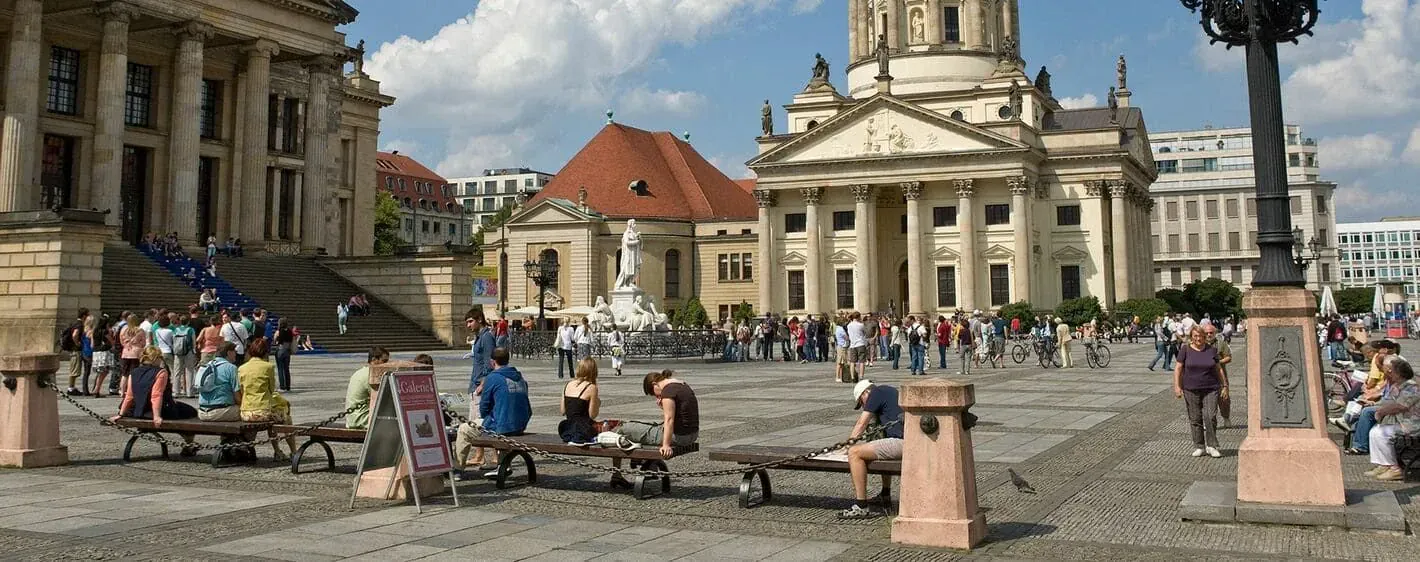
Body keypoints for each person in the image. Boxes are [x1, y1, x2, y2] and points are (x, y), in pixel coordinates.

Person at [610, 370, 698, 488]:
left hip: (678, 436)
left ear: (654, 384)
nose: (657, 396)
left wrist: (666, 445)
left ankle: (619, 472)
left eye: (654, 394)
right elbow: (681, 414)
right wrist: (663, 406)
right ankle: (642, 460)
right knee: (643, 427)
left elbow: (669, 420)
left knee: (623, 429)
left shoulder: (668, 391)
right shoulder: (682, 385)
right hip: (691, 434)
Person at [454, 348, 531, 480]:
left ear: (492, 362)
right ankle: (503, 465)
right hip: (520, 424)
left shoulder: (493, 378)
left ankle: (457, 469)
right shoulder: (519, 377)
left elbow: (484, 406)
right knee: (501, 420)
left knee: (464, 429)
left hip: (503, 426)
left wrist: (487, 416)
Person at [839, 380, 905, 520]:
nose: (864, 406)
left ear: (865, 393)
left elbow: (861, 424)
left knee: (855, 453)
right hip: (905, 441)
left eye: (862, 402)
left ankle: (861, 505)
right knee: (879, 445)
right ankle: (885, 493)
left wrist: (848, 446)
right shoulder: (887, 391)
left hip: (902, 442)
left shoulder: (876, 393)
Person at [111, 347, 199, 452]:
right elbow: (156, 395)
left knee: (181, 410)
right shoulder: (161, 372)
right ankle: (189, 443)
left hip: (137, 411)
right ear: (156, 358)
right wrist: (157, 416)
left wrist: (121, 414)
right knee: (191, 412)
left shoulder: (133, 372)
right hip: (157, 410)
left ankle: (188, 443)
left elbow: (129, 396)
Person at [238, 337, 296, 460]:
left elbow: (242, 390)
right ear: (265, 352)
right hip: (263, 411)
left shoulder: (242, 368)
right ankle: (293, 451)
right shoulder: (268, 367)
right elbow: (271, 390)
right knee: (286, 418)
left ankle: (278, 451)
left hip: (246, 412)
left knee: (272, 417)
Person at [1174, 326, 1227, 458]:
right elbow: (1178, 368)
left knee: (1210, 416)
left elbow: (1218, 369)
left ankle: (1211, 445)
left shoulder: (1211, 350)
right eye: (1195, 336)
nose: (1198, 339)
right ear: (1191, 337)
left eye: (1201, 336)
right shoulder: (1185, 349)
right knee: (1195, 418)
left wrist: (1224, 385)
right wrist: (1177, 386)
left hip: (1211, 387)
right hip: (1190, 388)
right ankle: (1199, 446)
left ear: (1205, 337)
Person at [1364, 355, 1419, 481]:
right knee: (1375, 431)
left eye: (1390, 372)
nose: (1388, 374)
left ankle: (1395, 469)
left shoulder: (1412, 387)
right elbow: (1387, 402)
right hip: (1402, 422)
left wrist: (1381, 412)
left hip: (1413, 424)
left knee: (1380, 433)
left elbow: (1401, 406)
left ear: (1397, 373)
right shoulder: (1397, 386)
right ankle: (1384, 464)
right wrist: (1375, 405)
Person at [343, 346, 390, 430]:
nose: (387, 365)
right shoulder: (371, 375)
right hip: (363, 420)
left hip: (353, 419)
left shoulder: (359, 372)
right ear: (374, 359)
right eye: (384, 361)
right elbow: (382, 399)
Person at [196, 343, 243, 422]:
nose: (236, 354)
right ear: (229, 353)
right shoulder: (231, 368)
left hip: (202, 412)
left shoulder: (206, 365)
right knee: (247, 413)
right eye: (234, 351)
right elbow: (237, 397)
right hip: (220, 412)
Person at [559, 358, 601, 444]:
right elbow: (592, 415)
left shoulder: (568, 384)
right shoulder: (591, 387)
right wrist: (597, 403)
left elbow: (563, 411)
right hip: (583, 429)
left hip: (567, 428)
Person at [169, 312, 198, 398]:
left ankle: (176, 391)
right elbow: (193, 342)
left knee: (177, 372)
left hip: (178, 352)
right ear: (188, 322)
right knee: (189, 371)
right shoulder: (190, 330)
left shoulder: (175, 330)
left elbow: (173, 341)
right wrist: (194, 351)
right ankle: (189, 392)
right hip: (188, 352)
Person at [466, 308, 495, 393]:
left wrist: (482, 385)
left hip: (481, 388)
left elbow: (490, 364)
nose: (468, 325)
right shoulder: (479, 337)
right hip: (475, 384)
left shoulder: (486, 337)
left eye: (471, 321)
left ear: (479, 319)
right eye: (467, 322)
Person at [61, 308, 90, 395]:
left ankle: (72, 387)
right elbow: (75, 334)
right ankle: (70, 388)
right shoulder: (79, 325)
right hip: (75, 350)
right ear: (84, 316)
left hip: (74, 349)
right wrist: (77, 343)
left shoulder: (74, 323)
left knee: (74, 369)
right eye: (88, 315)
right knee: (74, 370)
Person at [89, 315, 114, 398]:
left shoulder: (94, 331)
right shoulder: (105, 331)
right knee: (104, 371)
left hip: (96, 352)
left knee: (100, 372)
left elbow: (92, 345)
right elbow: (111, 341)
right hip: (104, 352)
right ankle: (96, 389)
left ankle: (96, 389)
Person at [271, 318, 295, 391]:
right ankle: (288, 386)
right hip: (287, 350)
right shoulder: (290, 331)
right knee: (286, 369)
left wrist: (276, 337)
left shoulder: (279, 331)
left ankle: (282, 386)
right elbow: (291, 340)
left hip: (280, 349)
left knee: (280, 369)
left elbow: (275, 341)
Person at [847, 312, 868, 382]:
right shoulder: (861, 325)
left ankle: (852, 377)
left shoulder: (849, 325)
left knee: (852, 362)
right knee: (862, 361)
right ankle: (861, 376)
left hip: (852, 345)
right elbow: (865, 333)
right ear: (858, 317)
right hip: (860, 344)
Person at [835, 317, 852, 383]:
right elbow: (846, 338)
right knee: (840, 362)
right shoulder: (841, 329)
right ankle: (837, 377)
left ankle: (841, 377)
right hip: (842, 346)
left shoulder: (838, 328)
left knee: (842, 363)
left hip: (841, 346)